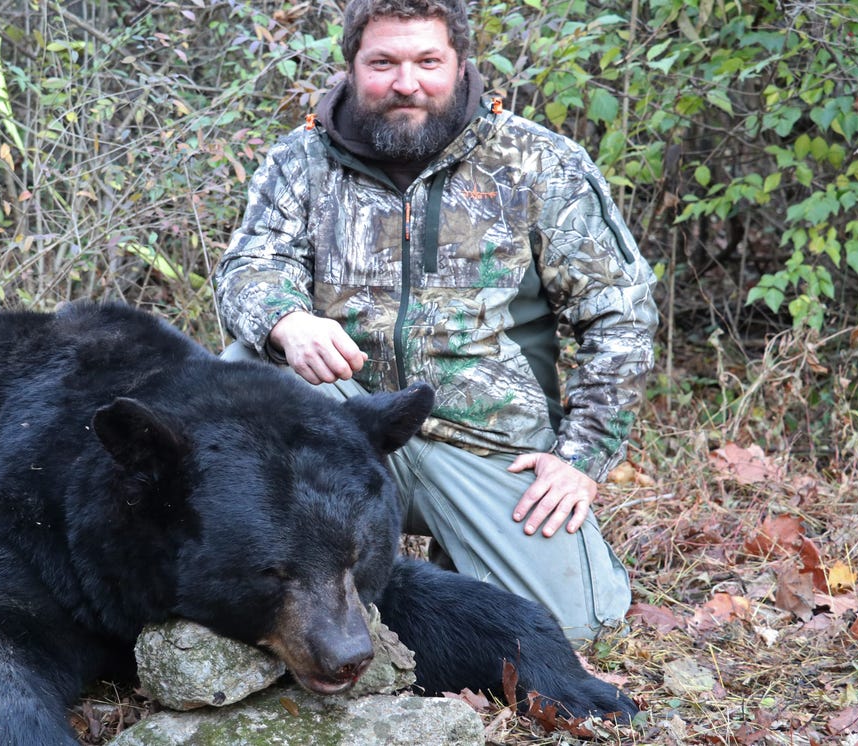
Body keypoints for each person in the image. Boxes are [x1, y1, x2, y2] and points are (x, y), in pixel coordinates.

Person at [214, 0, 658, 646]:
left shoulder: (535, 163)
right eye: (383, 62)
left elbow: (620, 310)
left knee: (574, 627)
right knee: (241, 369)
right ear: (351, 65)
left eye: (428, 61)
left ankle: (450, 564)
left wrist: (581, 456)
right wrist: (287, 321)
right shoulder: (300, 162)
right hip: (347, 424)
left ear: (460, 62)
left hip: (487, 445)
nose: (406, 83)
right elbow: (247, 268)